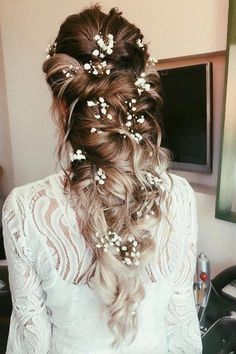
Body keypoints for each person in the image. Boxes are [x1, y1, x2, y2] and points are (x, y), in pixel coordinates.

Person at [2, 5, 202, 354]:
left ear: (63, 106)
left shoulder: (26, 209)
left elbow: (30, 343)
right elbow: (181, 326)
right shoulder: (179, 196)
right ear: (135, 98)